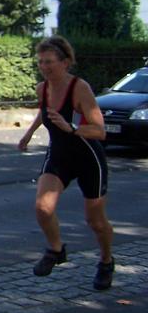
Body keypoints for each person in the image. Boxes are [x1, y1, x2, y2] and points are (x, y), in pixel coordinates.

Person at [18, 36, 114, 290]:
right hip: (60, 156)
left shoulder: (79, 88)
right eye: (40, 62)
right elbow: (45, 110)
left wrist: (70, 127)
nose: (44, 67)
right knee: (43, 207)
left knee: (95, 221)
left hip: (88, 158)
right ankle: (56, 249)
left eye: (49, 62)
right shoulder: (42, 88)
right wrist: (28, 133)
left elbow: (99, 131)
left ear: (65, 62)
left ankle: (106, 261)